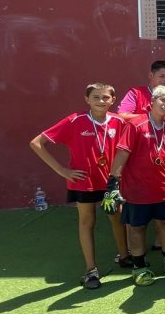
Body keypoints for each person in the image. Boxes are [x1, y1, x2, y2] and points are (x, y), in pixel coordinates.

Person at [29, 82, 130, 289]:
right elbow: (36, 143)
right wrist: (61, 170)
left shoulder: (119, 122)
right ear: (87, 99)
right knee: (87, 221)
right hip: (84, 181)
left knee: (117, 216)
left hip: (111, 181)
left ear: (113, 100)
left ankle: (124, 256)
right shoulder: (75, 120)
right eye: (96, 97)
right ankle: (91, 269)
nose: (101, 101)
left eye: (105, 97)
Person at [107, 85, 165, 286]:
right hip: (136, 191)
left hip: (163, 189)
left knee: (164, 226)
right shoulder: (136, 125)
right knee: (137, 229)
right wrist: (113, 184)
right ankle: (139, 266)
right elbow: (122, 154)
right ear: (152, 102)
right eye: (163, 100)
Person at [118, 60, 165, 153]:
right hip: (141, 147)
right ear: (151, 75)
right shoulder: (136, 93)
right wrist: (156, 117)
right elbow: (122, 116)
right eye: (161, 76)